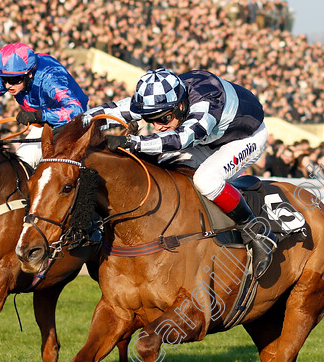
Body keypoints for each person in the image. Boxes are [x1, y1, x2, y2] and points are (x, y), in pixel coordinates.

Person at [86, 68, 276, 278]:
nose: (158, 126)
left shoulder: (206, 100)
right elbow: (106, 113)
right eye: (151, 120)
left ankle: (257, 233)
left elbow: (181, 139)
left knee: (206, 180)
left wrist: (131, 142)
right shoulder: (160, 98)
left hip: (244, 138)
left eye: (164, 118)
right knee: (158, 171)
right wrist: (71, 126)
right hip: (207, 138)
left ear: (180, 105)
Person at [0, 42, 89, 167]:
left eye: (14, 80)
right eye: (4, 79)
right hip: (43, 121)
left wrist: (39, 116)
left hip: (72, 122)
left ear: (29, 74)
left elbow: (76, 110)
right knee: (22, 163)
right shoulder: (12, 74)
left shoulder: (50, 78)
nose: (8, 85)